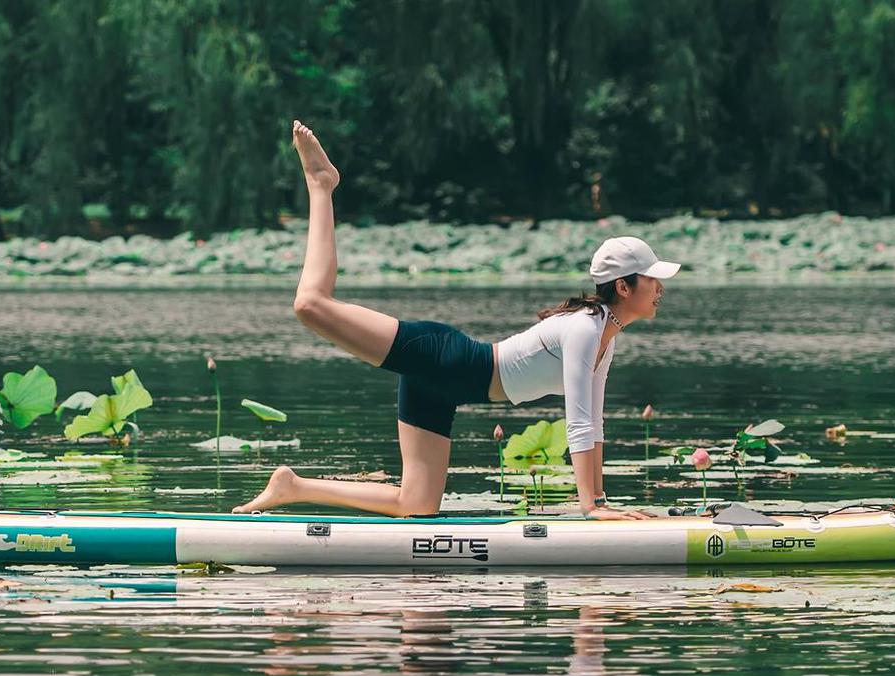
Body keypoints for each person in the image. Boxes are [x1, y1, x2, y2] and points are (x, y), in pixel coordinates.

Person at [233, 121, 680, 521]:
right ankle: (321, 185)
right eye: (653, 279)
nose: (661, 289)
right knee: (310, 304)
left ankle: (293, 487)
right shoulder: (585, 328)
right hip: (439, 355)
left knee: (417, 505)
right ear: (623, 287)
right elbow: (579, 422)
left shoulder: (606, 334)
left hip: (447, 389)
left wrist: (599, 503)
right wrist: (593, 508)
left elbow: (593, 423)